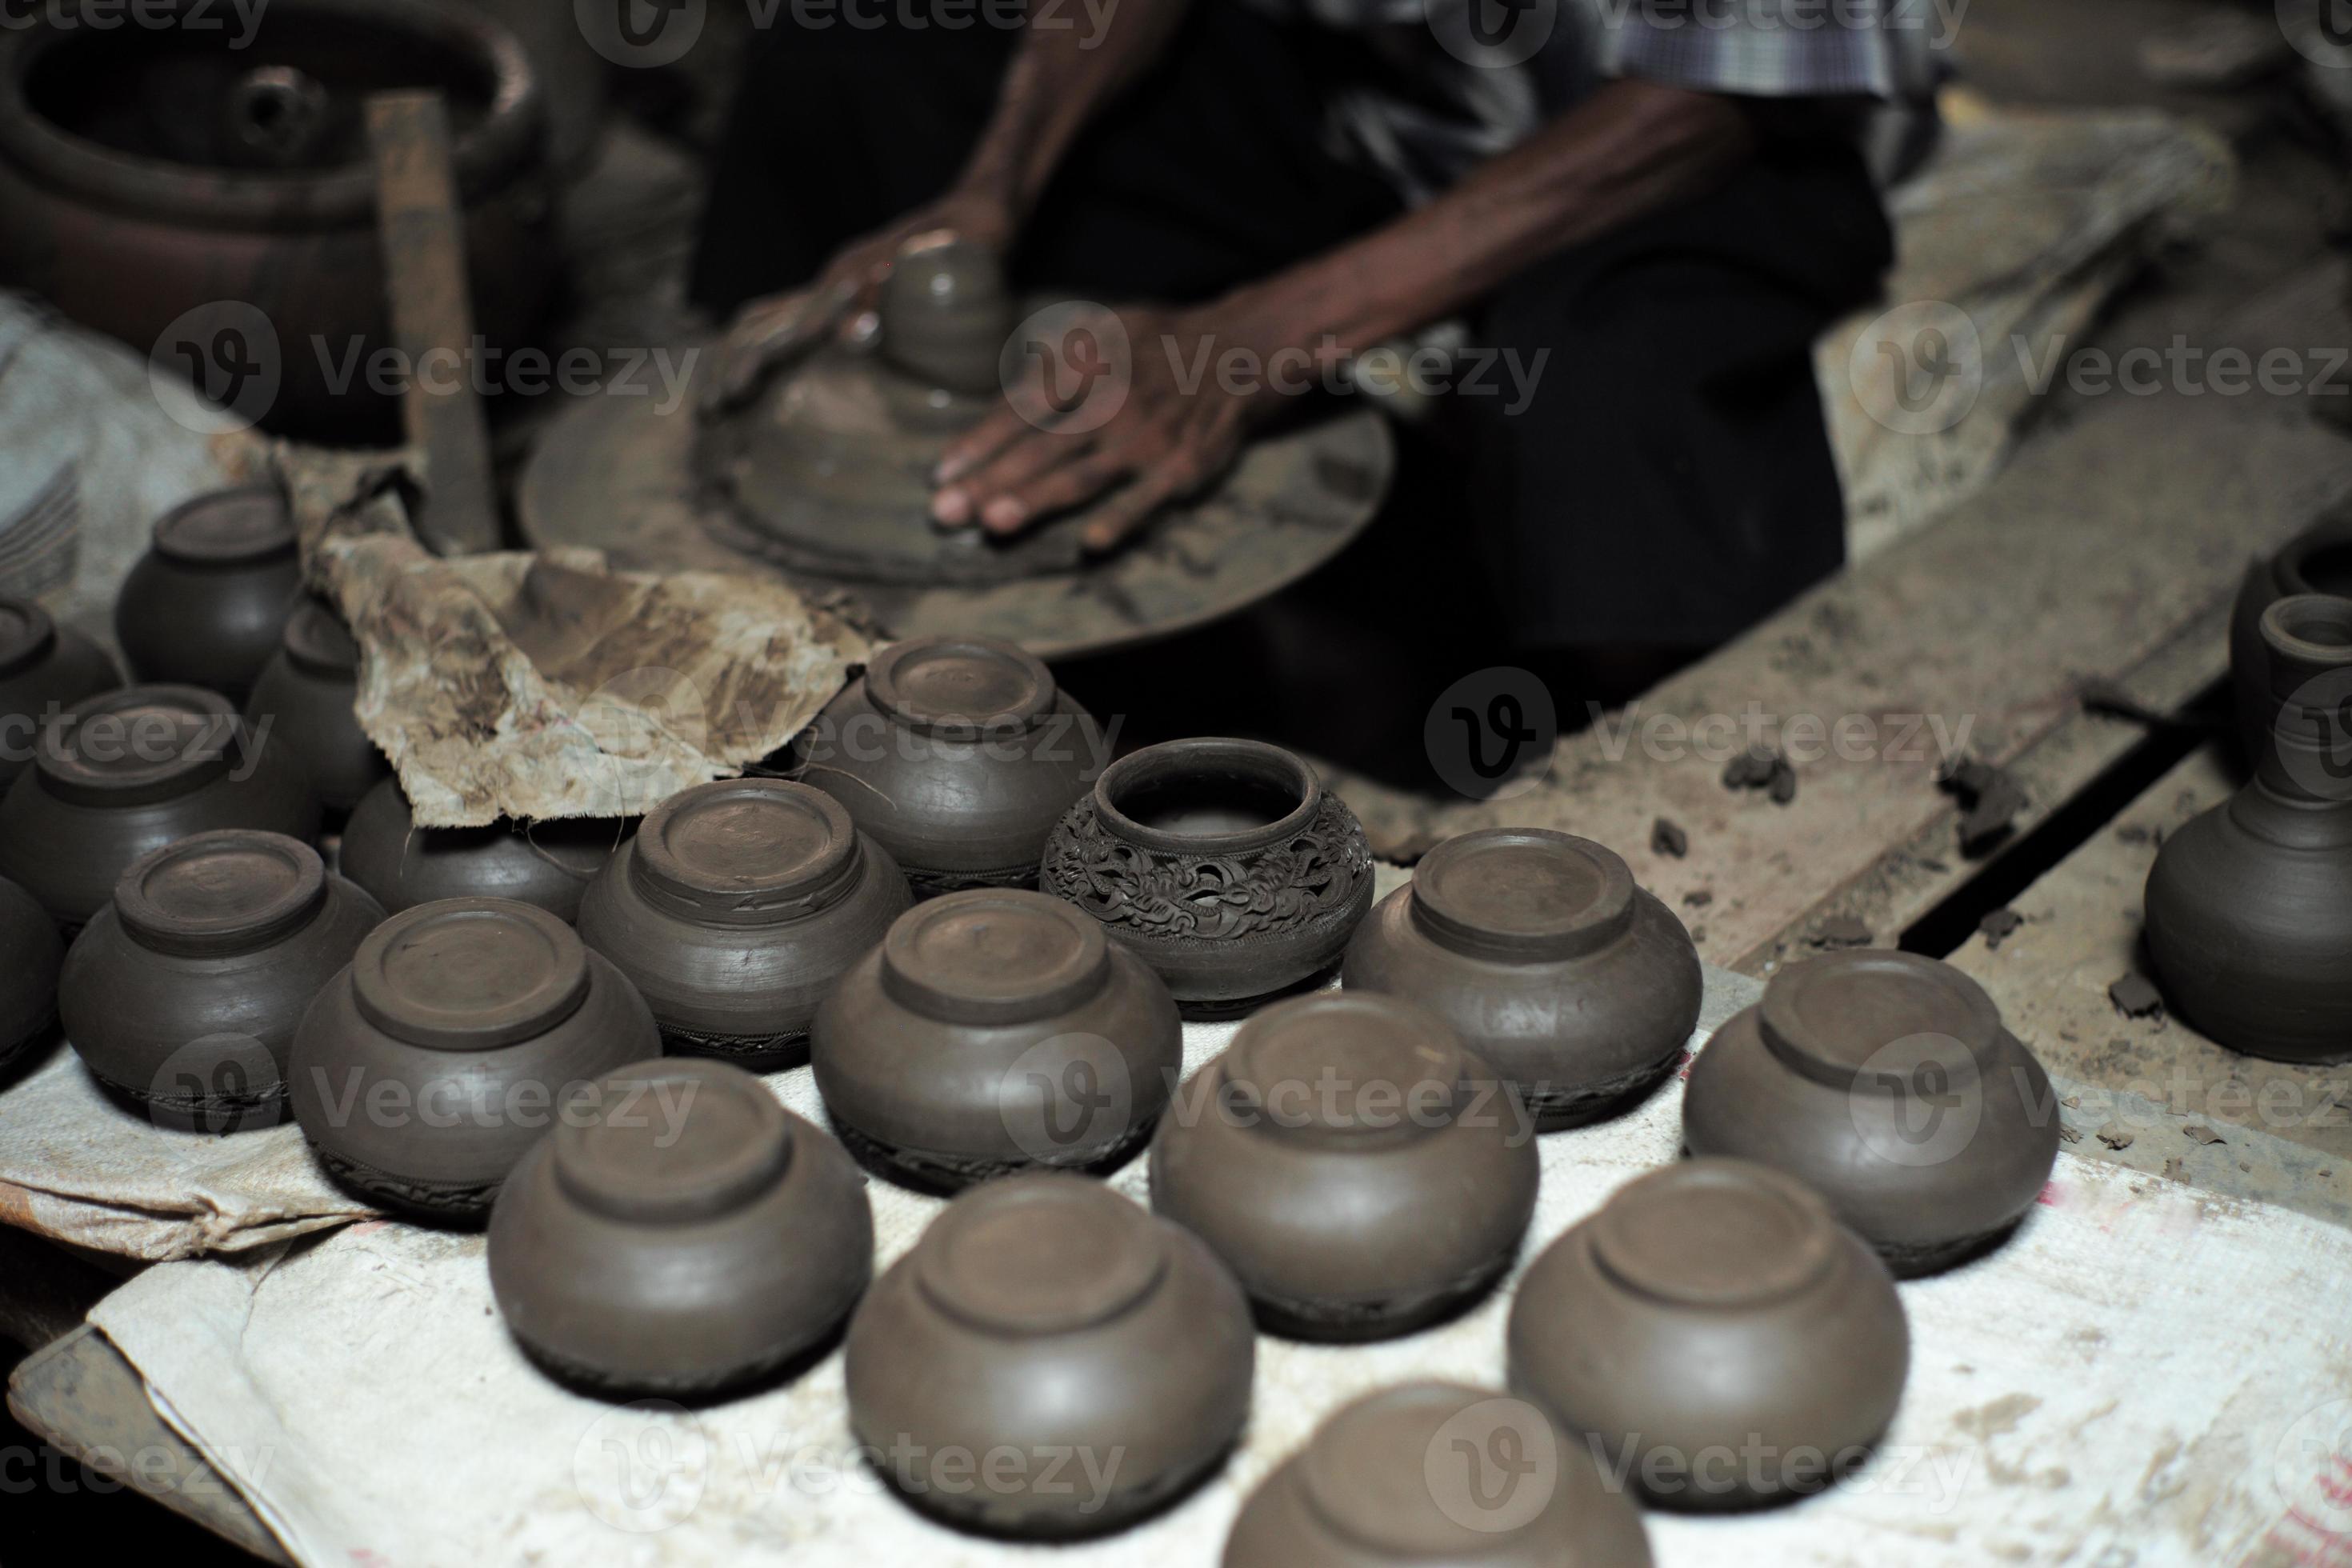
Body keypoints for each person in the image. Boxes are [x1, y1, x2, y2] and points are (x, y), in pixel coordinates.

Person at [693, 0, 1919, 662]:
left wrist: (1243, 344)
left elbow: (1713, 98)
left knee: (1590, 378)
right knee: (857, 48)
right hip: (1384, 103)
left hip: (1684, 140)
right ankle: (801, 576)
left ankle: (1621, 837)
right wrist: (994, 183)